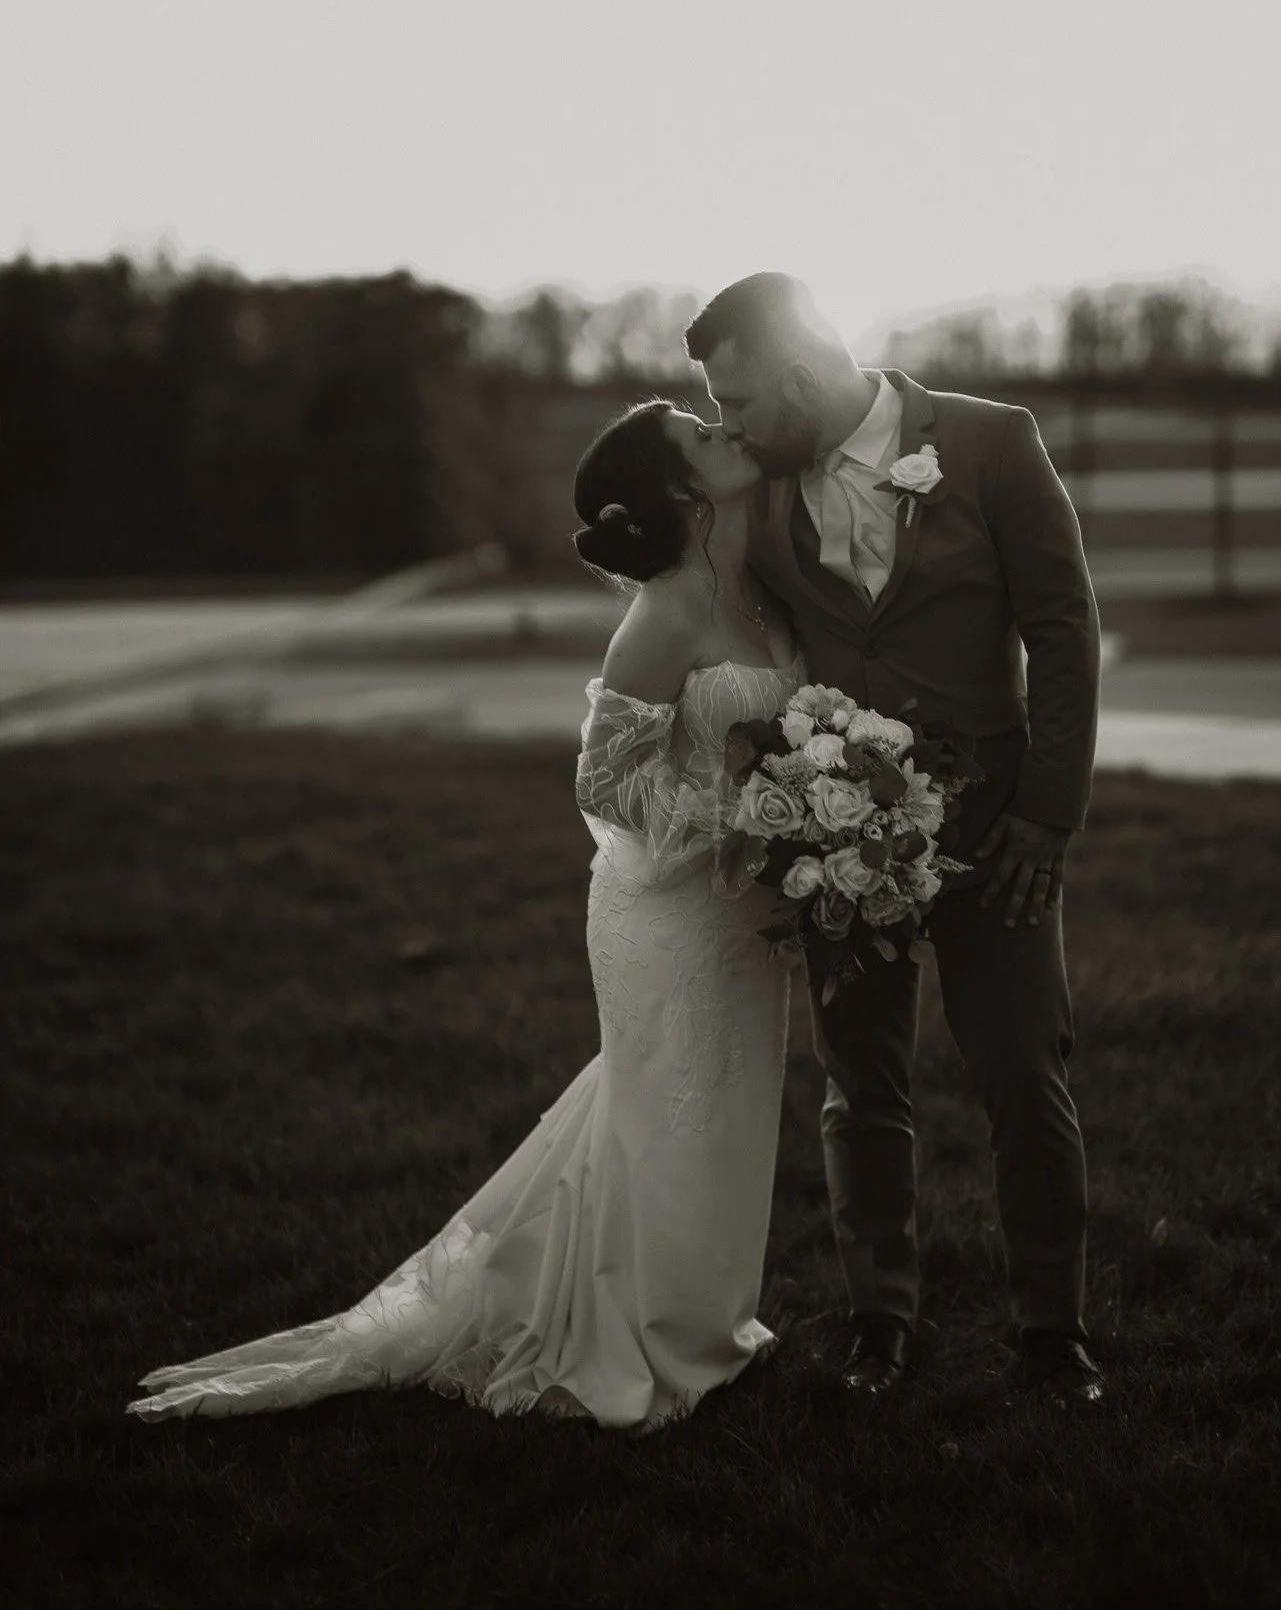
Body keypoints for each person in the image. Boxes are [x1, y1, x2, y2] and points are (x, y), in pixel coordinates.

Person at [129, 400, 804, 1433]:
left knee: (731, 1110)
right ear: (683, 490)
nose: (724, 429)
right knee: (670, 1109)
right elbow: (601, 779)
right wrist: (742, 813)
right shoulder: (664, 613)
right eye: (700, 433)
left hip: (742, 907)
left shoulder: (760, 585)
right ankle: (644, 1342)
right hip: (669, 909)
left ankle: (706, 1322)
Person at [685, 272, 1103, 1404]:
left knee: (1024, 1075)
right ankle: (881, 1322)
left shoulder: (993, 443)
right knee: (859, 1083)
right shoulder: (757, 491)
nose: (728, 427)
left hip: (997, 833)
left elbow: (1064, 628)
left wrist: (1047, 813)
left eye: (737, 402)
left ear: (801, 378)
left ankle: (1052, 1331)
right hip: (831, 832)